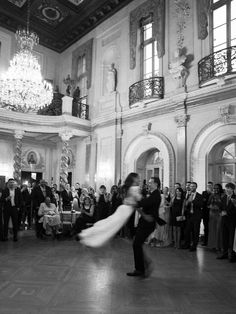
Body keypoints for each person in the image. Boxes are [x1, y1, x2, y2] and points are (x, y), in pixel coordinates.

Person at [79, 172, 141, 248]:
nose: (139, 180)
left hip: (123, 209)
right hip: (126, 210)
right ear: (134, 179)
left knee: (108, 224)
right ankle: (88, 238)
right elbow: (138, 201)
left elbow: (129, 200)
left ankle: (86, 234)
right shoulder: (135, 188)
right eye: (138, 178)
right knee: (110, 227)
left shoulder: (128, 188)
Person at [127, 176, 162, 278]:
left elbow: (143, 203)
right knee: (137, 244)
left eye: (151, 182)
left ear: (156, 184)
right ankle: (142, 266)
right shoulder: (152, 194)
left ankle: (141, 268)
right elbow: (143, 203)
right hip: (145, 222)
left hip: (148, 223)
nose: (148, 184)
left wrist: (133, 201)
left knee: (137, 244)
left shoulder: (156, 195)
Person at [217, 182, 236, 262]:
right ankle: (224, 254)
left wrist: (227, 213)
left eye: (229, 188)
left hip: (232, 221)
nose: (227, 190)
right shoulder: (224, 197)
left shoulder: (235, 198)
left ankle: (232, 256)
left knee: (231, 239)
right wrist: (221, 212)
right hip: (224, 220)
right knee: (224, 238)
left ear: (233, 189)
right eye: (226, 188)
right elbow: (220, 206)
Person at [183, 182, 203, 251]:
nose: (192, 187)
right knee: (187, 231)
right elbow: (186, 205)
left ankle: (194, 246)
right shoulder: (188, 195)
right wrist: (187, 202)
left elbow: (201, 205)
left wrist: (193, 201)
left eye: (193, 186)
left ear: (196, 187)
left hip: (196, 216)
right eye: (191, 186)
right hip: (189, 216)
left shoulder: (200, 195)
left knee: (195, 231)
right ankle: (187, 244)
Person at [202, 181, 214, 246]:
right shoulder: (204, 193)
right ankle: (206, 241)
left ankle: (212, 242)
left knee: (212, 227)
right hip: (205, 213)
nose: (209, 186)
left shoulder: (214, 193)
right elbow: (203, 202)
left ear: (212, 186)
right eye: (208, 185)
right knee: (206, 227)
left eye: (210, 185)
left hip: (213, 213)